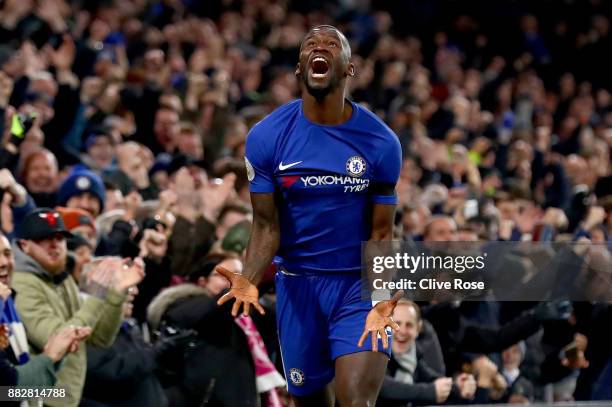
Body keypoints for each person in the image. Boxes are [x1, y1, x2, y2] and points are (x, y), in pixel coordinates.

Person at [216, 25, 403, 406]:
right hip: (298, 289)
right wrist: (249, 277)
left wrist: (381, 297)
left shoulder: (381, 142)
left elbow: (382, 233)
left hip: (356, 289)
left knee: (355, 401)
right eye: (311, 45)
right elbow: (266, 225)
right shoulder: (267, 137)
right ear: (300, 69)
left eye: (332, 44)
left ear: (349, 68)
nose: (320, 47)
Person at [10, 208, 145, 407]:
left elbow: (101, 338)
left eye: (60, 238)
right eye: (44, 239)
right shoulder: (21, 283)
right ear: (24, 245)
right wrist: (97, 294)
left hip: (64, 398)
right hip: (36, 398)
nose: (55, 245)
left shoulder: (62, 280)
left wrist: (116, 292)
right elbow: (56, 339)